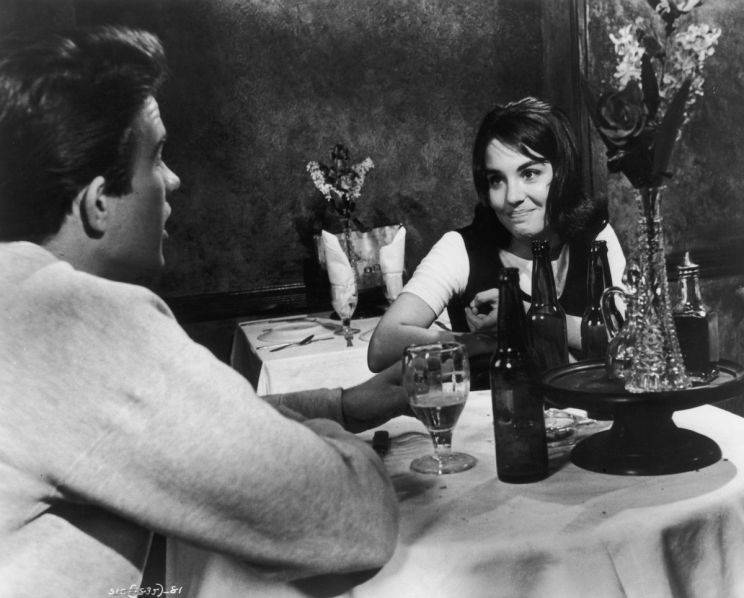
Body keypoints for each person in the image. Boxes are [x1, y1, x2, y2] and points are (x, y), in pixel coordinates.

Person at [0, 26, 409, 596]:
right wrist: (333, 445)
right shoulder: (75, 320)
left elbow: (172, 424)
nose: (173, 179)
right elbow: (354, 518)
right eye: (157, 156)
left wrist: (341, 405)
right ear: (98, 203)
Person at [368, 97, 626, 372]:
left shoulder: (596, 238)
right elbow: (383, 346)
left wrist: (526, 319)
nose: (512, 196)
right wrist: (486, 342)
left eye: (529, 173)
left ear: (562, 172)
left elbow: (628, 343)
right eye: (497, 180)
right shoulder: (461, 248)